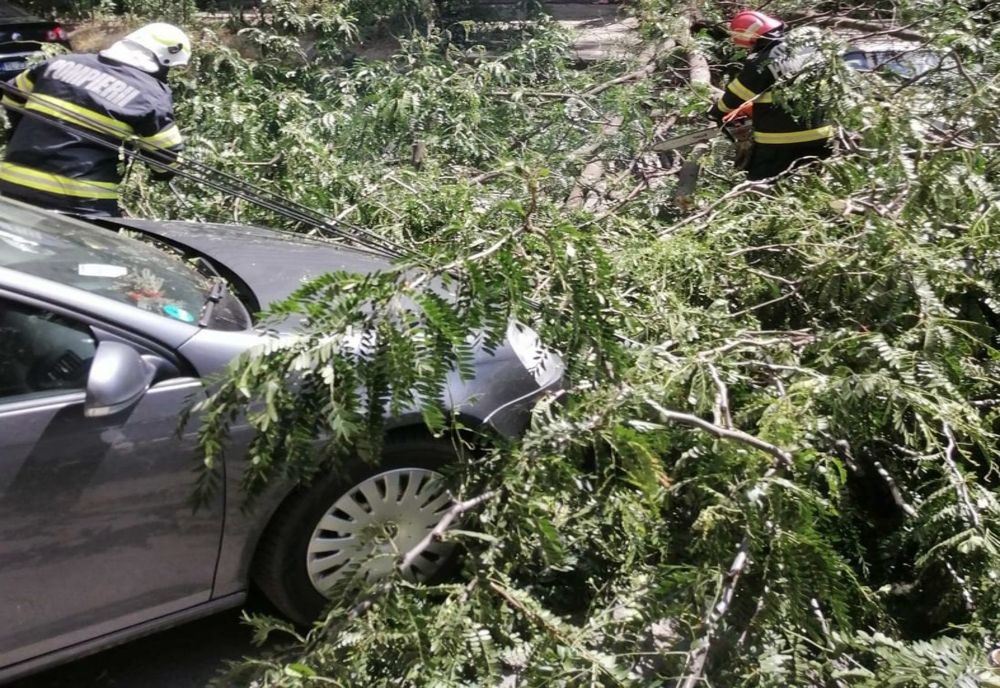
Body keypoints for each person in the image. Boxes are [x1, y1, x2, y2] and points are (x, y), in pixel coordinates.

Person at [0, 23, 190, 217]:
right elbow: (167, 160)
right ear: (164, 61)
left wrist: (22, 132)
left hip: (11, 184)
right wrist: (161, 173)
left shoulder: (58, 64)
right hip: (81, 203)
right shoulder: (151, 95)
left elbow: (10, 96)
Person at [709, 10, 833, 181]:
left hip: (779, 140)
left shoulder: (762, 60)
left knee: (761, 186)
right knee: (814, 183)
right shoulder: (809, 47)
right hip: (822, 135)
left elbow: (736, 95)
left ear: (749, 35)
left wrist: (716, 112)